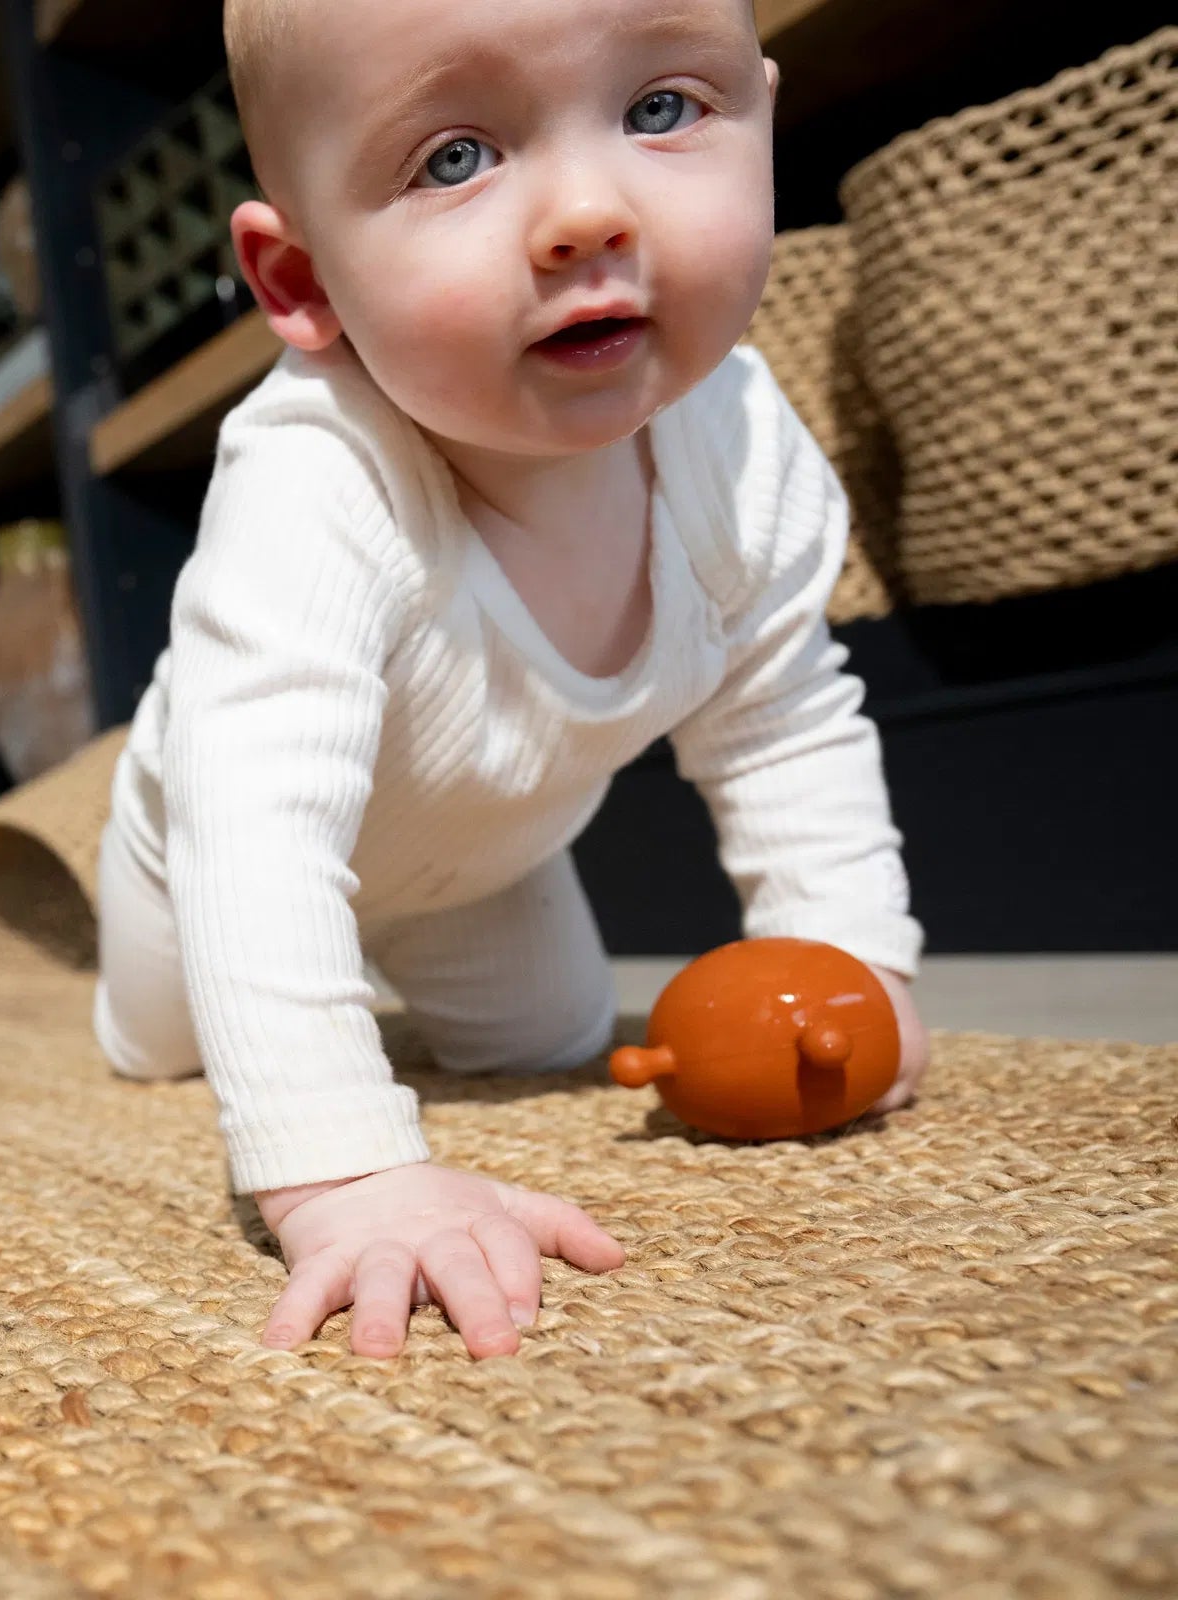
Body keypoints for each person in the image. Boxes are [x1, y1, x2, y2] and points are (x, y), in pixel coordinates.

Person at [94, 0, 931, 1362]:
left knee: (544, 1039)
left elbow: (783, 719)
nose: (586, 215)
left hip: (481, 856)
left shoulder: (742, 445)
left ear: (764, 123)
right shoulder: (317, 474)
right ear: (302, 285)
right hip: (200, 849)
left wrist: (855, 963)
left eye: (662, 111)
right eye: (455, 157)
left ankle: (358, 974)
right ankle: (166, 949)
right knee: (161, 1048)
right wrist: (346, 1174)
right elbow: (254, 835)